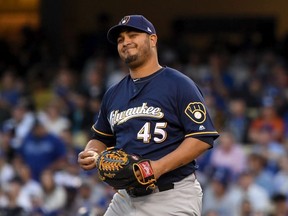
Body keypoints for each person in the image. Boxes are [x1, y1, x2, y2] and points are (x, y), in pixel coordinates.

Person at [78, 15, 219, 216]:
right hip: (125, 199)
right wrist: (91, 152)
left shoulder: (179, 84)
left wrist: (157, 167)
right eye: (120, 39)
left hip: (171, 195)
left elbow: (201, 138)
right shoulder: (113, 93)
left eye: (133, 35)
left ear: (152, 40)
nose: (126, 42)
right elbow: (101, 137)